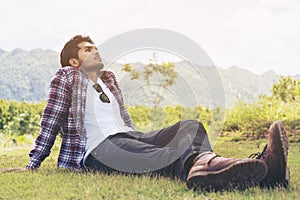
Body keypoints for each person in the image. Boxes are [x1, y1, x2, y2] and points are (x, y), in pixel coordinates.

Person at [23, 35, 289, 191]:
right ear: (74, 61)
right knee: (162, 157)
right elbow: (51, 118)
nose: (95, 50)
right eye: (87, 49)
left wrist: (142, 138)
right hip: (98, 149)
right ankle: (247, 169)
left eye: (95, 46)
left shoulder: (109, 80)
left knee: (191, 127)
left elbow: (122, 120)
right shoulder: (67, 76)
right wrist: (33, 163)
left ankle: (221, 167)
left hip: (130, 136)